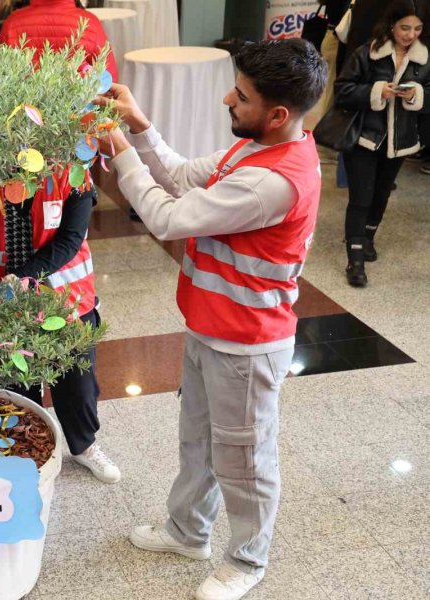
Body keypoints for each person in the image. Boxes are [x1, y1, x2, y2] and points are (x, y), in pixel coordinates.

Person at [99, 38, 327, 600]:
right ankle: (187, 530)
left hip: (246, 343)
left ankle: (248, 559)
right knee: (197, 442)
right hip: (210, 326)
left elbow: (167, 215)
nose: (228, 98)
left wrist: (117, 148)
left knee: (244, 459)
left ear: (277, 115)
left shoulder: (271, 181)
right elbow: (179, 175)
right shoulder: (254, 150)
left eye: (241, 96)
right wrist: (140, 127)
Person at [0, 178, 121, 484]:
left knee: (77, 384)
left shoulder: (70, 173)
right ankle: (23, 449)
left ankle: (84, 446)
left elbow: (70, 238)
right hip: (8, 304)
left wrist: (20, 277)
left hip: (67, 300)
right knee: (16, 384)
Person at [334, 0, 429, 287]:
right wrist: (377, 91)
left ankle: (368, 238)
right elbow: (342, 90)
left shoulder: (424, 60)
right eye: (405, 28)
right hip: (365, 137)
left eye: (417, 29)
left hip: (401, 141)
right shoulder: (368, 53)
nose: (410, 35)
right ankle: (356, 259)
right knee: (360, 199)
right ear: (391, 25)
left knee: (381, 196)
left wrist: (415, 95)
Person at [0, 0, 118, 84]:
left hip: (23, 116)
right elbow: (109, 80)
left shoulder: (12, 24)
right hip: (78, 117)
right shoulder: (90, 23)